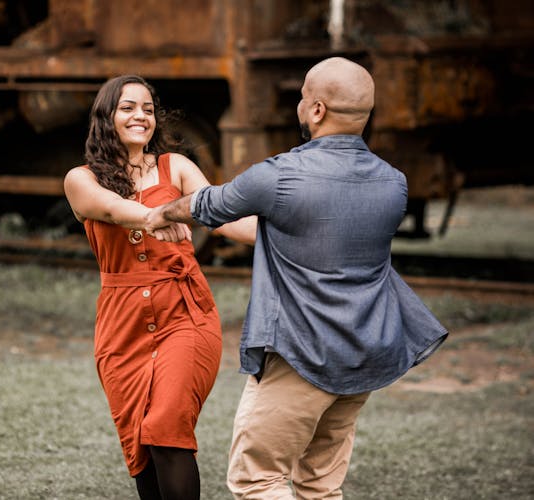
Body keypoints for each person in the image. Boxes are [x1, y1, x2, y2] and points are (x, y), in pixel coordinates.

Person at [145, 57, 449, 499]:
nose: (300, 106)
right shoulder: (393, 184)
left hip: (303, 353)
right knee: (321, 486)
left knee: (257, 479)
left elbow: (209, 204)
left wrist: (159, 213)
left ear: (318, 110)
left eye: (303, 97)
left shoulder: (281, 175)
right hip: (363, 354)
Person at [63, 74, 256, 500]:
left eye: (148, 109)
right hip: (122, 325)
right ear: (106, 116)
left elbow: (222, 216)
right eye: (128, 107)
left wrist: (288, 237)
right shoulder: (81, 179)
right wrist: (160, 216)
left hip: (184, 314)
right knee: (141, 443)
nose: (140, 116)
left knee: (166, 426)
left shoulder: (177, 167)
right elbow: (111, 209)